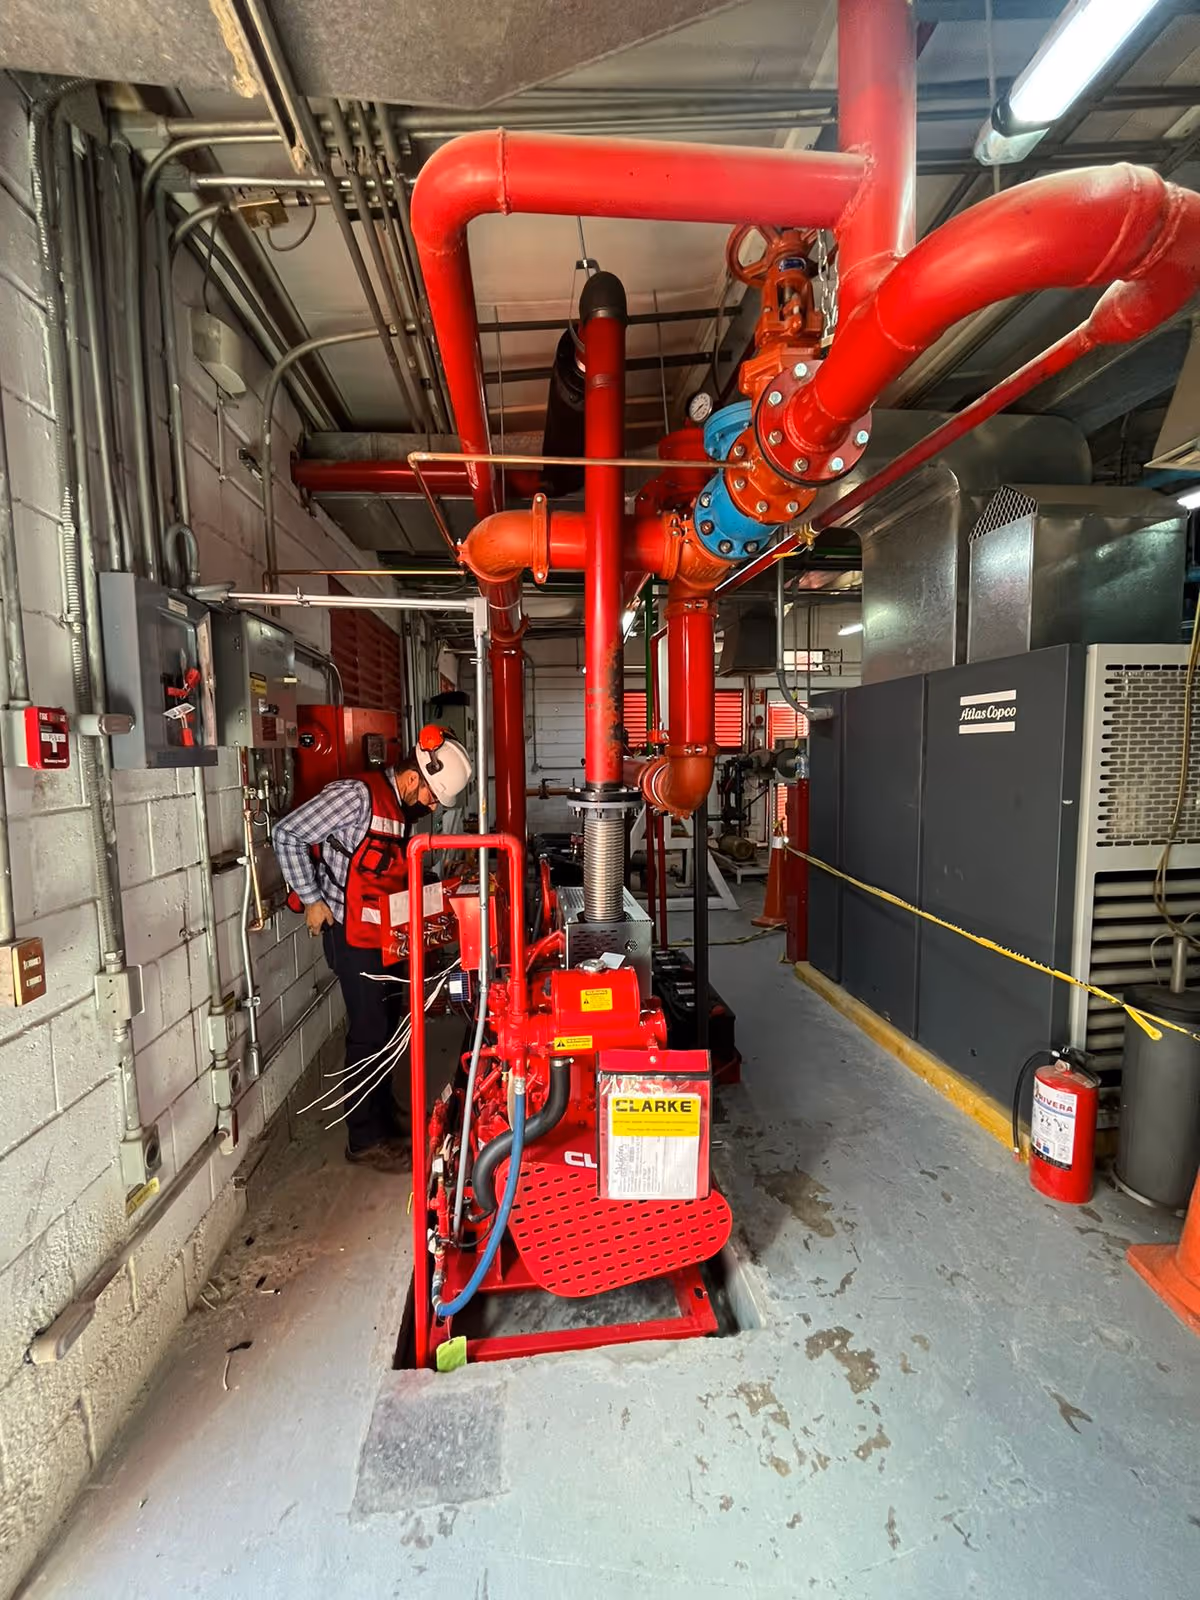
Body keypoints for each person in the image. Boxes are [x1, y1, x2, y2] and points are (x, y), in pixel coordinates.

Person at [274, 725, 472, 1171]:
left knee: (386, 1031)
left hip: (385, 938)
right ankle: (364, 1139)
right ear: (411, 778)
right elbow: (287, 834)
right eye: (430, 796)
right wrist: (312, 899)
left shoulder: (402, 814)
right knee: (368, 1036)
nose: (432, 805)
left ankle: (384, 1116)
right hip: (351, 936)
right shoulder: (356, 797)